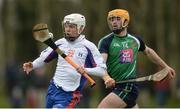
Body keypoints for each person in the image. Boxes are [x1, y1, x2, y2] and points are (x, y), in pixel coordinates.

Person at [23, 13, 115, 108]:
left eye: (71, 26)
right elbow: (44, 58)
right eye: (66, 26)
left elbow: (102, 70)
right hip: (53, 89)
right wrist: (32, 65)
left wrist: (86, 70)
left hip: (70, 94)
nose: (67, 29)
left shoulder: (89, 47)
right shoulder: (60, 43)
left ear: (81, 28)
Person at [97, 9, 176, 108]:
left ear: (125, 21)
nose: (114, 22)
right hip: (115, 87)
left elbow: (148, 52)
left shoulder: (135, 40)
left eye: (117, 19)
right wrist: (106, 78)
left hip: (127, 87)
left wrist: (166, 67)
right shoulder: (105, 41)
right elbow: (101, 64)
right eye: (112, 19)